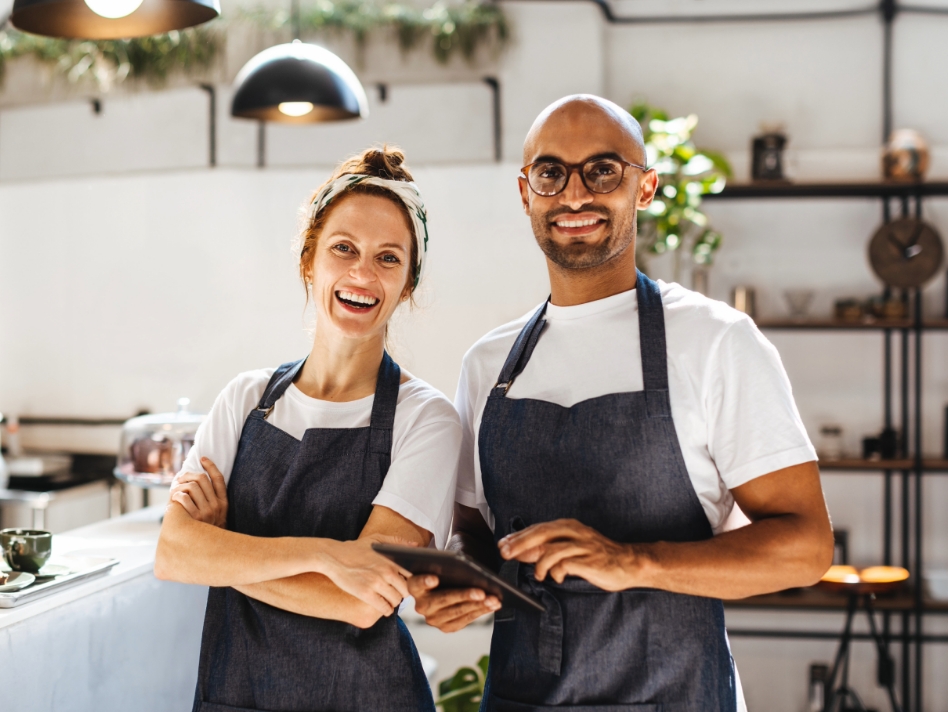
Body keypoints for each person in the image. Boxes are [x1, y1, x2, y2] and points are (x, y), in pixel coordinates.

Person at [408, 96, 834, 711]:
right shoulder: (490, 364)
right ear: (526, 193)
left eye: (602, 170)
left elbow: (805, 548)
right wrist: (457, 582)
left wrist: (633, 561)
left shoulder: (715, 341)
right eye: (551, 173)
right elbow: (472, 531)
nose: (574, 194)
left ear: (646, 188)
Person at [155, 146, 459, 712]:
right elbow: (173, 552)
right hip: (236, 695)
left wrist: (223, 553)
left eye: (388, 258)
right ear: (308, 261)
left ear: (408, 283)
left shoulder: (426, 419)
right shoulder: (246, 399)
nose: (362, 274)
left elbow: (363, 601)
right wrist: (327, 555)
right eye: (343, 249)